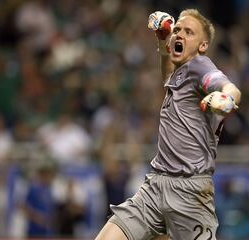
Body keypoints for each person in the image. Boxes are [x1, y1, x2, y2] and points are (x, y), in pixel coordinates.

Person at [95, 9, 241, 240]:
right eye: (178, 30)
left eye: (189, 32)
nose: (180, 34)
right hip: (155, 185)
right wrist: (163, 42)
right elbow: (168, 76)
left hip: (189, 192)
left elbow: (226, 85)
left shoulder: (200, 66)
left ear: (202, 46)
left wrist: (227, 98)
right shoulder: (181, 75)